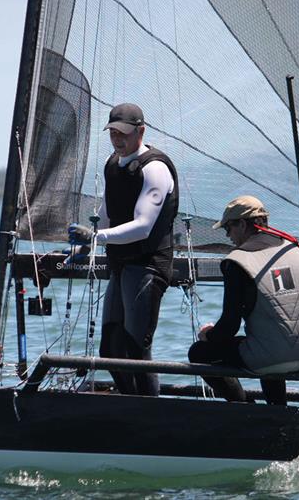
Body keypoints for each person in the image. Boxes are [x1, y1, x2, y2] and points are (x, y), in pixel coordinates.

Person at [68, 103, 178, 396]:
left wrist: (96, 237)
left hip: (148, 265)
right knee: (111, 347)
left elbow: (143, 226)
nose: (118, 139)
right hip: (121, 263)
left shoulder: (155, 169)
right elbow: (108, 210)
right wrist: (86, 248)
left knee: (136, 347)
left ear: (140, 131)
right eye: (113, 132)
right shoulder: (112, 163)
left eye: (124, 133)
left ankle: (149, 412)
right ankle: (130, 403)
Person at [187, 195, 299, 404]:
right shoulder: (293, 249)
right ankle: (277, 410)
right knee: (266, 338)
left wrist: (208, 335)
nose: (228, 236)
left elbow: (230, 325)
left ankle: (242, 407)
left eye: (228, 228)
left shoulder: (236, 261)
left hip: (268, 358)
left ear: (241, 224)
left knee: (198, 352)